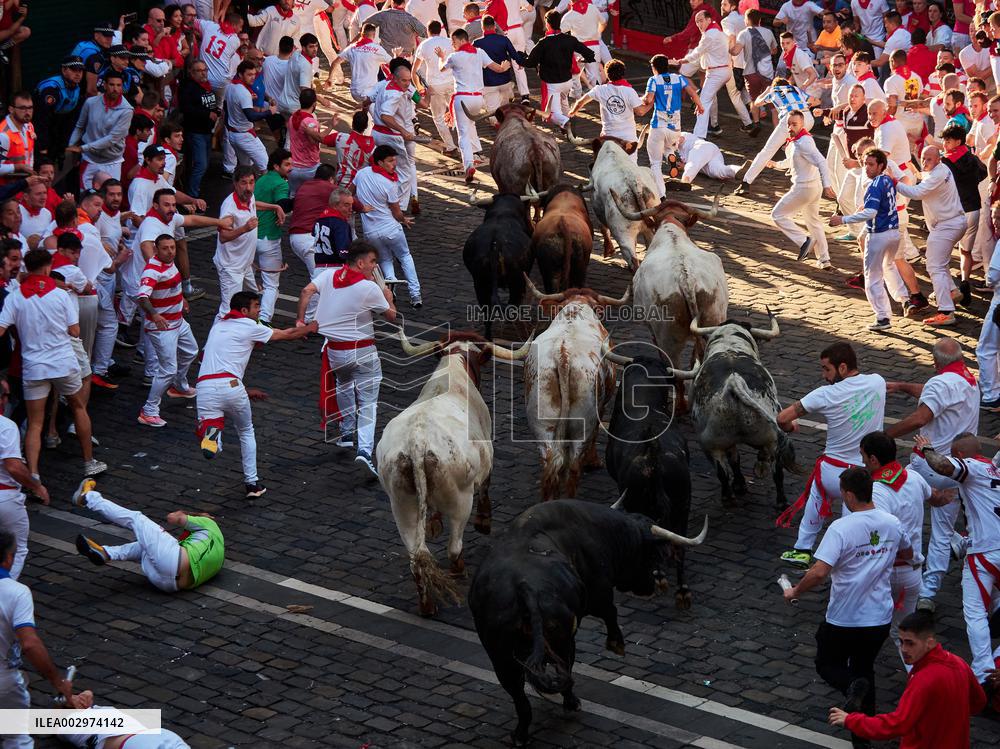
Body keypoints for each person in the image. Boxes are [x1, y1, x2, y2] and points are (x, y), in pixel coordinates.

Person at [783, 467, 912, 749]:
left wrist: (795, 591)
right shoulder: (892, 523)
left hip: (845, 617)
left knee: (827, 664)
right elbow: (908, 552)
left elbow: (819, 572)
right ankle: (863, 737)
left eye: (842, 493)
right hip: (878, 618)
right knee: (865, 669)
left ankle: (852, 686)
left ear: (850, 495)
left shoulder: (841, 528)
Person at [885, 337, 979, 612]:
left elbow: (920, 418)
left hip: (927, 467)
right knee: (942, 530)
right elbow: (933, 393)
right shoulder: (969, 379)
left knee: (887, 496)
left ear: (936, 362)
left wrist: (884, 436)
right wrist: (902, 386)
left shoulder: (940, 384)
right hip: (957, 470)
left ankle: (890, 558)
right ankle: (928, 592)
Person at [776, 342, 886, 567]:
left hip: (830, 472)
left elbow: (782, 418)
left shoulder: (825, 394)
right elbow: (889, 387)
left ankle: (802, 548)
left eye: (826, 369)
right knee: (852, 522)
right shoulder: (878, 382)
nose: (824, 375)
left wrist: (791, 427)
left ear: (842, 367)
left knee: (816, 498)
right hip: (862, 476)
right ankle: (849, 559)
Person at [198, 291, 316, 499]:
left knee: (212, 428)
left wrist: (245, 390)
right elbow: (286, 334)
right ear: (244, 310)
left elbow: (220, 365)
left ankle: (212, 435)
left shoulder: (217, 326)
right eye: (256, 306)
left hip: (205, 388)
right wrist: (312, 327)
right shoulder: (249, 326)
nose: (259, 310)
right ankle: (252, 484)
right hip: (232, 386)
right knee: (246, 431)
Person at [0, 249, 105, 479]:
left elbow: (2, 329)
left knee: (35, 423)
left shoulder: (15, 298)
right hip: (62, 362)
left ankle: (34, 473)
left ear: (28, 268)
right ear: (48, 268)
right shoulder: (60, 295)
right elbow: (74, 330)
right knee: (78, 408)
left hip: (33, 367)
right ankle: (89, 462)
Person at [296, 241, 397, 475]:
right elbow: (392, 316)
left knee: (343, 385)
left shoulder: (328, 275)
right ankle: (365, 450)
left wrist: (300, 320)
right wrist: (388, 297)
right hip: (363, 351)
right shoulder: (368, 288)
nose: (375, 266)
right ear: (360, 263)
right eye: (372, 261)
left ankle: (346, 432)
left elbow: (306, 292)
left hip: (335, 351)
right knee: (368, 402)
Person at [915, 432, 1000, 693]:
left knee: (975, 612)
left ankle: (984, 671)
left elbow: (942, 465)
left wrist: (926, 449)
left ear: (961, 455)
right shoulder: (995, 469)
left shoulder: (971, 467)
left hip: (984, 551)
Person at [828, 611, 987, 746]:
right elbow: (979, 701)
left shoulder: (923, 680)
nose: (903, 649)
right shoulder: (959, 663)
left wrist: (851, 720)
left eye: (910, 643)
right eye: (901, 642)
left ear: (929, 643)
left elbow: (898, 724)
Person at [860, 432, 936, 666]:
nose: (862, 461)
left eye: (863, 456)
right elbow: (935, 497)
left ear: (873, 459)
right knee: (905, 632)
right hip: (912, 574)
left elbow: (882, 533)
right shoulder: (914, 477)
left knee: (865, 627)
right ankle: (923, 674)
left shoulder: (875, 491)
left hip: (886, 574)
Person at [73, 479, 225, 592]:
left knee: (136, 518)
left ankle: (88, 497)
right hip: (169, 585)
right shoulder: (218, 555)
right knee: (145, 545)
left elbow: (173, 518)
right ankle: (106, 553)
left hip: (172, 561)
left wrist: (195, 514)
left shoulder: (208, 524)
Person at [0, 529, 74, 745]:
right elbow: (30, 645)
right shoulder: (17, 592)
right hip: (3, 680)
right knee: (16, 737)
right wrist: (58, 681)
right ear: (8, 558)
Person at [829, 148, 903, 330]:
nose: (866, 168)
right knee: (889, 266)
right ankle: (904, 298)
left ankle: (883, 317)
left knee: (872, 278)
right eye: (865, 164)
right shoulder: (887, 180)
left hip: (878, 235)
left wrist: (842, 219)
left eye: (871, 164)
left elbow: (871, 212)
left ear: (880, 165)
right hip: (894, 233)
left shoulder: (874, 185)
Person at [895, 146, 966, 327]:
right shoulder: (940, 170)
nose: (925, 162)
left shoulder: (938, 174)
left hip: (947, 226)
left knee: (934, 266)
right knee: (939, 263)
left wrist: (894, 182)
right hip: (951, 223)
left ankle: (946, 311)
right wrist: (916, 173)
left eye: (929, 159)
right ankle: (951, 291)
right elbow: (925, 179)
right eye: (923, 158)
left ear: (938, 159)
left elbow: (917, 193)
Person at [135, 234, 197, 429]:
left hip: (178, 321)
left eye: (172, 247)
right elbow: (142, 297)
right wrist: (154, 315)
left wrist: (181, 299)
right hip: (163, 328)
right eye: (165, 248)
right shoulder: (152, 271)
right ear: (156, 249)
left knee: (191, 351)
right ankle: (149, 411)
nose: (170, 251)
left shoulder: (169, 263)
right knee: (167, 369)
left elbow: (172, 285)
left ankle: (179, 386)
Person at [764, 110, 837, 267]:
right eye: (788, 124)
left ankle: (804, 241)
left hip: (804, 188)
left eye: (794, 124)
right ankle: (824, 259)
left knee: (777, 215)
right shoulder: (797, 142)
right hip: (813, 188)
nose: (790, 127)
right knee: (814, 223)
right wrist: (776, 164)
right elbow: (793, 160)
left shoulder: (804, 142)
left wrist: (827, 185)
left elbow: (821, 161)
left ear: (802, 124)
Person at [437, 27, 511, 182]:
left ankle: (468, 164)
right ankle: (476, 152)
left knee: (463, 133)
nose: (452, 44)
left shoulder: (454, 57)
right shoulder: (479, 52)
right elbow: (497, 68)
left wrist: (441, 57)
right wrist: (504, 67)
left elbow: (441, 69)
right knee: (470, 125)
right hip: (477, 99)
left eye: (454, 41)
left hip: (462, 98)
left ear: (462, 40)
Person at [354, 145, 422, 306]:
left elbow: (349, 193)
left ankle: (391, 286)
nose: (394, 164)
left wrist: (360, 208)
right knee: (405, 257)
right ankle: (415, 294)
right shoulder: (390, 183)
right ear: (380, 162)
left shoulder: (361, 174)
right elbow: (396, 212)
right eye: (390, 161)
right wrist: (403, 220)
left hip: (371, 232)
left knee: (385, 259)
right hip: (391, 229)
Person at [0, 378, 47, 579]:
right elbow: (13, 466)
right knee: (18, 549)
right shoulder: (6, 426)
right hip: (5, 499)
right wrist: (36, 486)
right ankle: (5, 590)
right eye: (6, 395)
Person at [520, 10, 596, 133]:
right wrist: (582, 60)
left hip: (553, 85)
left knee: (553, 115)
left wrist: (518, 57)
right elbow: (590, 54)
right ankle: (567, 129)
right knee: (564, 103)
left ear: (547, 24)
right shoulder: (569, 39)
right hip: (567, 82)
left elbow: (530, 63)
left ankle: (566, 123)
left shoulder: (543, 42)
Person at [667, 11, 739, 139]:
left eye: (701, 21)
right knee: (708, 99)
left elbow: (697, 53)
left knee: (703, 103)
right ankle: (714, 126)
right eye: (697, 22)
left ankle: (699, 136)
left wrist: (680, 61)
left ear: (708, 20)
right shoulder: (716, 31)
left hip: (717, 72)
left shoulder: (709, 35)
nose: (699, 24)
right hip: (722, 70)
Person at [734, 78, 813, 193]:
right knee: (793, 145)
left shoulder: (774, 90)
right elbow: (815, 101)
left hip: (790, 119)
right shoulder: (795, 88)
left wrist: (766, 91)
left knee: (768, 151)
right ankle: (795, 171)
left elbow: (757, 103)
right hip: (808, 118)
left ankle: (746, 182)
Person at [643, 55, 704, 196]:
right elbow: (692, 93)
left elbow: (648, 99)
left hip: (659, 125)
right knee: (668, 146)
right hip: (675, 128)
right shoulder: (679, 78)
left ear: (654, 67)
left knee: (655, 164)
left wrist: (641, 99)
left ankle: (661, 195)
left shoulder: (654, 80)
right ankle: (670, 155)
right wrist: (699, 106)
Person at [568, 60, 651, 159]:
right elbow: (640, 111)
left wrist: (572, 112)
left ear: (607, 74)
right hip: (628, 138)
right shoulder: (629, 91)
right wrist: (652, 104)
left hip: (608, 136)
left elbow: (580, 102)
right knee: (630, 166)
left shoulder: (600, 89)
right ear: (623, 74)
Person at [371, 57, 423, 214]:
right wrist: (403, 130)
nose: (407, 83)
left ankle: (384, 202)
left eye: (408, 80)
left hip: (379, 133)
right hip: (393, 135)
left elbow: (367, 100)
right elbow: (386, 116)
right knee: (405, 171)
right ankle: (399, 208)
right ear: (395, 77)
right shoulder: (397, 93)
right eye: (404, 80)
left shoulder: (383, 85)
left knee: (384, 168)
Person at [66, 72, 133, 190]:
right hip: (90, 160)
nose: (115, 89)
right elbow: (80, 126)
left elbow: (112, 139)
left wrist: (82, 148)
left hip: (112, 162)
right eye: (112, 85)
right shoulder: (90, 103)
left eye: (118, 85)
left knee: (111, 196)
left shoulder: (127, 110)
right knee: (86, 196)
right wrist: (71, 146)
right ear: (105, 85)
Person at [255, 149, 293, 325]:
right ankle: (264, 318)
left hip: (251, 236)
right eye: (287, 164)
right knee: (271, 284)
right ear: (276, 166)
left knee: (247, 279)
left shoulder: (261, 180)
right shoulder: (281, 184)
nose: (291, 168)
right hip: (269, 238)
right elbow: (283, 205)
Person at [177, 57, 221, 199]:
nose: (203, 73)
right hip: (195, 132)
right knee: (200, 164)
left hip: (207, 131)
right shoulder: (188, 88)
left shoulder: (207, 86)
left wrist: (216, 111)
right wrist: (207, 114)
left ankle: (193, 190)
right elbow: (186, 108)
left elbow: (209, 105)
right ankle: (192, 196)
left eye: (205, 70)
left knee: (204, 164)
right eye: (199, 71)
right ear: (191, 72)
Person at [223, 60, 276, 175]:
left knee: (245, 168)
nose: (253, 77)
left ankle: (244, 185)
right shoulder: (243, 92)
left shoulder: (230, 86)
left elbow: (226, 106)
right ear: (240, 74)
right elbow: (251, 116)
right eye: (249, 74)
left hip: (233, 134)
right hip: (245, 136)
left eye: (254, 74)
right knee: (266, 166)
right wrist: (269, 112)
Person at [414, 20, 458, 154]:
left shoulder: (423, 45)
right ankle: (465, 142)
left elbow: (414, 70)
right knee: (457, 113)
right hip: (451, 81)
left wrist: (419, 87)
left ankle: (450, 146)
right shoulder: (449, 42)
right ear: (440, 30)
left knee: (438, 117)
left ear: (428, 31)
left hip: (434, 85)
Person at [32, 56, 84, 165]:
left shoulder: (76, 88)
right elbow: (42, 120)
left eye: (80, 70)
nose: (78, 74)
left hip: (58, 121)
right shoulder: (52, 89)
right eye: (74, 70)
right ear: (64, 70)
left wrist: (63, 147)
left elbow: (70, 120)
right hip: (40, 124)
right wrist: (43, 147)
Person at [336, 22, 392, 104]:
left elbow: (335, 63)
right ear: (374, 35)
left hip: (354, 92)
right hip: (369, 92)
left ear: (361, 34)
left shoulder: (352, 48)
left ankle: (365, 108)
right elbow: (393, 63)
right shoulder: (377, 49)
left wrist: (329, 78)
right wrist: (396, 55)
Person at [475, 16, 520, 113]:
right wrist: (520, 63)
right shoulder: (504, 40)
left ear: (482, 27)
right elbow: (515, 55)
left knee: (493, 112)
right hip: (505, 81)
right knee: (505, 111)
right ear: (494, 26)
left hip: (488, 83)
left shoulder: (477, 43)